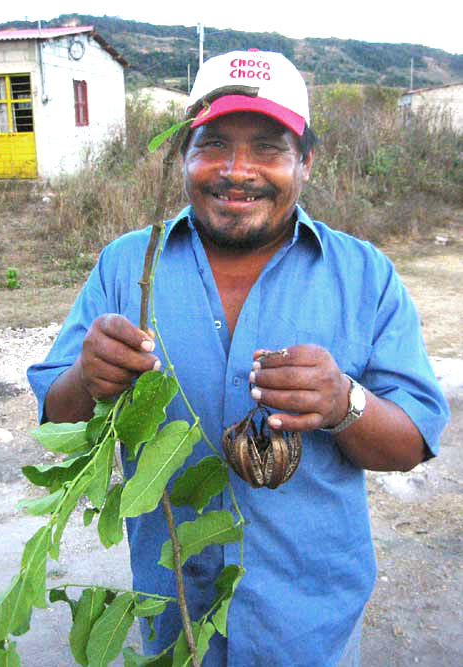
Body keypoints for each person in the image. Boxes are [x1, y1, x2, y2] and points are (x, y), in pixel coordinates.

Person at [28, 49, 450, 666]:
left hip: (307, 633)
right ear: (185, 156)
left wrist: (343, 403)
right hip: (175, 625)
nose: (237, 170)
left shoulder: (365, 276)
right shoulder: (127, 268)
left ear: (305, 161)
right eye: (214, 144)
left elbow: (413, 442)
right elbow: (57, 420)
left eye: (269, 148)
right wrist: (87, 378)